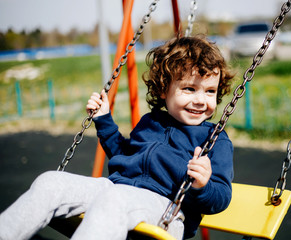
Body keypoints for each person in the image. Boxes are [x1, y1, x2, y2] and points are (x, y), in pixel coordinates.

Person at [0, 35, 234, 240]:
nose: (201, 100)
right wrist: (103, 120)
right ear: (164, 89)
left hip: (166, 209)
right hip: (116, 189)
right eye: (190, 89)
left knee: (114, 199)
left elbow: (221, 197)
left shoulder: (215, 139)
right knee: (50, 182)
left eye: (210, 91)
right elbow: (124, 155)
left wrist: (202, 185)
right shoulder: (150, 122)